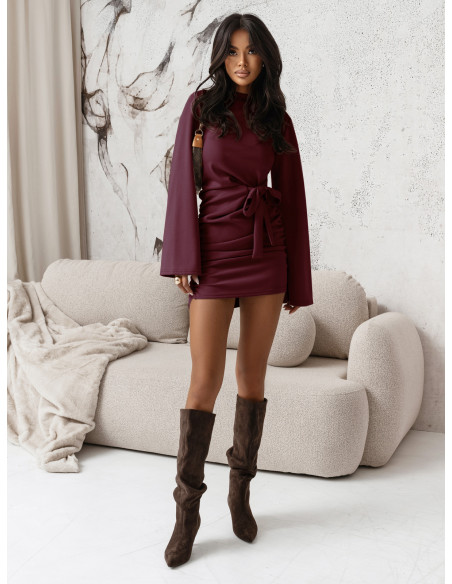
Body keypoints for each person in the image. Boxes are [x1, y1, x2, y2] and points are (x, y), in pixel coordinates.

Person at [160, 12, 313, 568]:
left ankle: (240, 495)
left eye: (250, 51)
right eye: (232, 51)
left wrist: (297, 278)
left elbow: (292, 197)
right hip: (215, 255)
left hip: (266, 254)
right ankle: (187, 515)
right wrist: (184, 257)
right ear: (221, 57)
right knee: (204, 381)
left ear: (264, 57)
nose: (242, 62)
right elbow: (182, 185)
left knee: (252, 378)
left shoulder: (277, 118)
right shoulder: (201, 109)